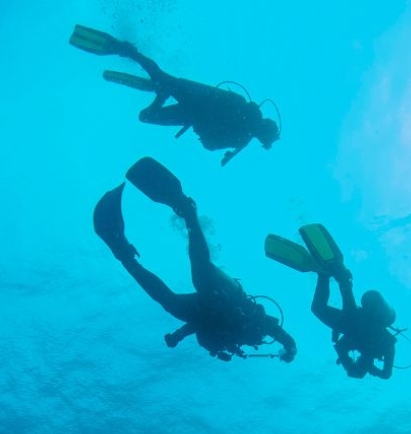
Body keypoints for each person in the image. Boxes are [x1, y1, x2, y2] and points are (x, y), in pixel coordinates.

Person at [94, 158, 296, 363]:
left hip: (204, 308)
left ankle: (123, 254)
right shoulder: (257, 325)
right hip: (228, 295)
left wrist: (178, 335)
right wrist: (289, 345)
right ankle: (186, 208)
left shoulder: (227, 336)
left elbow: (200, 323)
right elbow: (278, 332)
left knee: (169, 302)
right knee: (202, 273)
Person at [70, 25, 280, 166]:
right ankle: (158, 92)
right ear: (262, 135)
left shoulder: (245, 109)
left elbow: (217, 94)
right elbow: (210, 144)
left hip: (196, 96)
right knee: (146, 116)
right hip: (191, 114)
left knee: (162, 77)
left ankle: (128, 51)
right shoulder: (241, 138)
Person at [265, 225, 396, 379]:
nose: (361, 360)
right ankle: (334, 274)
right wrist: (365, 368)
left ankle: (327, 274)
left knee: (332, 299)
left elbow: (343, 349)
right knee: (332, 301)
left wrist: (351, 360)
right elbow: (385, 374)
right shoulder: (385, 346)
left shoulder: (363, 345)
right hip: (355, 321)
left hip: (351, 321)